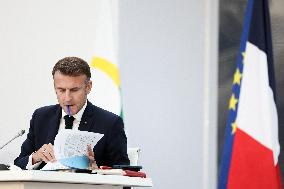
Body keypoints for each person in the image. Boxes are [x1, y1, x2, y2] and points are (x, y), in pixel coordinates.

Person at [14, 57, 129, 170]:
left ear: (88, 87)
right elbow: (18, 164)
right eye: (62, 90)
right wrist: (35, 157)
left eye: (74, 90)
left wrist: (97, 172)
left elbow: (125, 175)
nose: (67, 98)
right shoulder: (41, 117)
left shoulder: (110, 123)